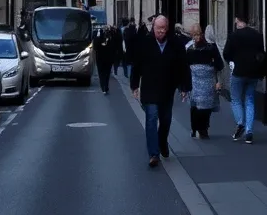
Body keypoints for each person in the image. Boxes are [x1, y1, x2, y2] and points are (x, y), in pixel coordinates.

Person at [130, 15, 191, 168]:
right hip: (150, 88)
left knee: (165, 120)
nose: (161, 32)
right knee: (151, 118)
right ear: (153, 28)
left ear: (167, 28)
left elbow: (183, 65)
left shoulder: (175, 44)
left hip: (167, 89)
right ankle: (153, 154)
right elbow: (137, 65)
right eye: (158, 29)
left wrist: (184, 86)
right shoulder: (145, 42)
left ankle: (162, 141)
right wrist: (134, 85)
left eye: (163, 29)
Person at [223, 15, 265, 143]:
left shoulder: (234, 36)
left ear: (238, 21)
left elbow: (226, 53)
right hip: (253, 72)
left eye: (236, 22)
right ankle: (249, 131)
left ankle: (240, 122)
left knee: (235, 98)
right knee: (250, 100)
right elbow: (261, 53)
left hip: (239, 71)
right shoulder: (257, 35)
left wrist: (233, 60)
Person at [186, 24, 224, 139]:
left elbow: (185, 65)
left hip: (198, 81)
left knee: (196, 106)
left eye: (196, 34)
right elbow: (219, 65)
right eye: (194, 35)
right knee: (205, 107)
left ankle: (196, 128)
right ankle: (203, 129)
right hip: (206, 81)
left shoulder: (190, 49)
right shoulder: (210, 47)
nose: (196, 37)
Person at [93, 25, 118, 95]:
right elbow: (114, 48)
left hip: (101, 58)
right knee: (106, 74)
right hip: (108, 58)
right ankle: (105, 86)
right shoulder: (111, 38)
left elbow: (95, 47)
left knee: (101, 74)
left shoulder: (99, 38)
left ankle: (103, 87)